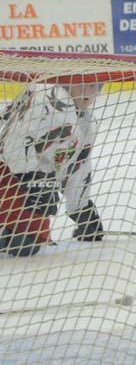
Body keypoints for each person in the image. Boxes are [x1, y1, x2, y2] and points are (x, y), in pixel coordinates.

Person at [1, 80, 104, 257]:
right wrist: (32, 178)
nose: (89, 91)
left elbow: (77, 167)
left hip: (27, 179)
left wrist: (81, 209)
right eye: (83, 84)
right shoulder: (45, 98)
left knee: (28, 241)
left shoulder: (86, 124)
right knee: (24, 241)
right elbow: (14, 142)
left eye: (96, 86)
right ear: (68, 81)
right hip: (8, 171)